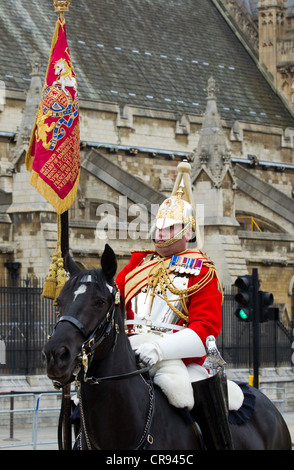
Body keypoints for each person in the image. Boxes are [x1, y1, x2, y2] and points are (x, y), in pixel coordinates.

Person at [116, 162, 233, 450]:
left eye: (170, 227)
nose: (161, 233)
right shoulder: (135, 267)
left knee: (201, 396)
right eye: (159, 226)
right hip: (130, 353)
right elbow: (111, 309)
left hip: (182, 357)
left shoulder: (202, 270)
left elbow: (205, 329)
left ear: (187, 232)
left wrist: (160, 349)